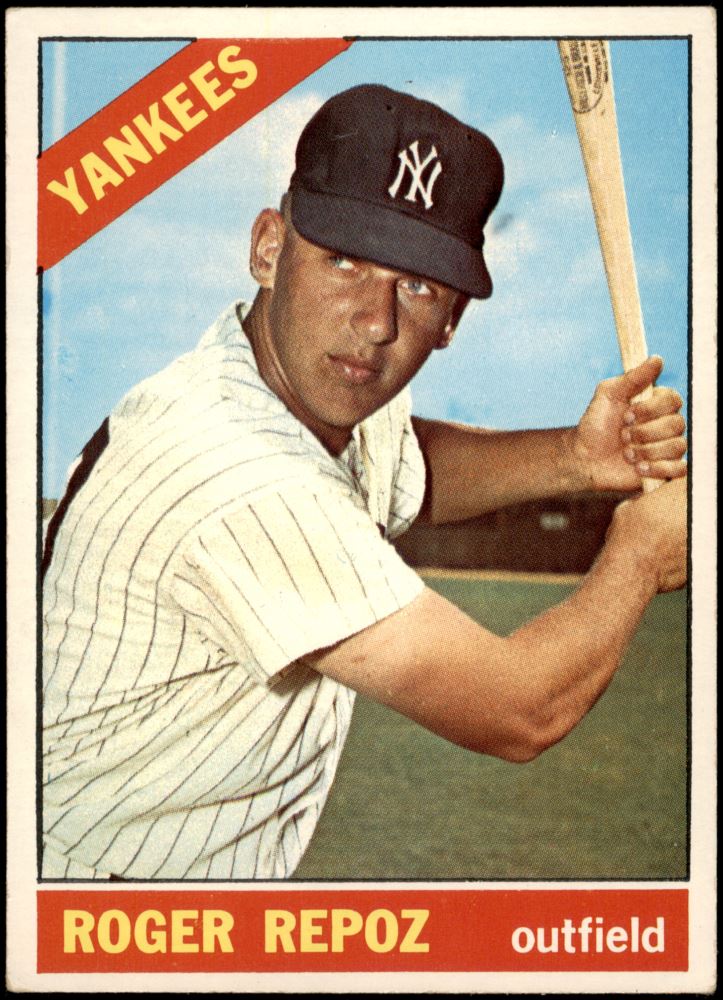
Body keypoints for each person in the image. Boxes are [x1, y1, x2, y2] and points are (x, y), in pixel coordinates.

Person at [41, 84, 687, 881]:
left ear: (451, 321)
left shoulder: (278, 383)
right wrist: (638, 555)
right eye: (343, 261)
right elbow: (520, 709)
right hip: (95, 914)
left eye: (417, 286)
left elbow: (402, 466)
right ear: (269, 248)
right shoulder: (243, 471)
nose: (375, 321)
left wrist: (575, 458)